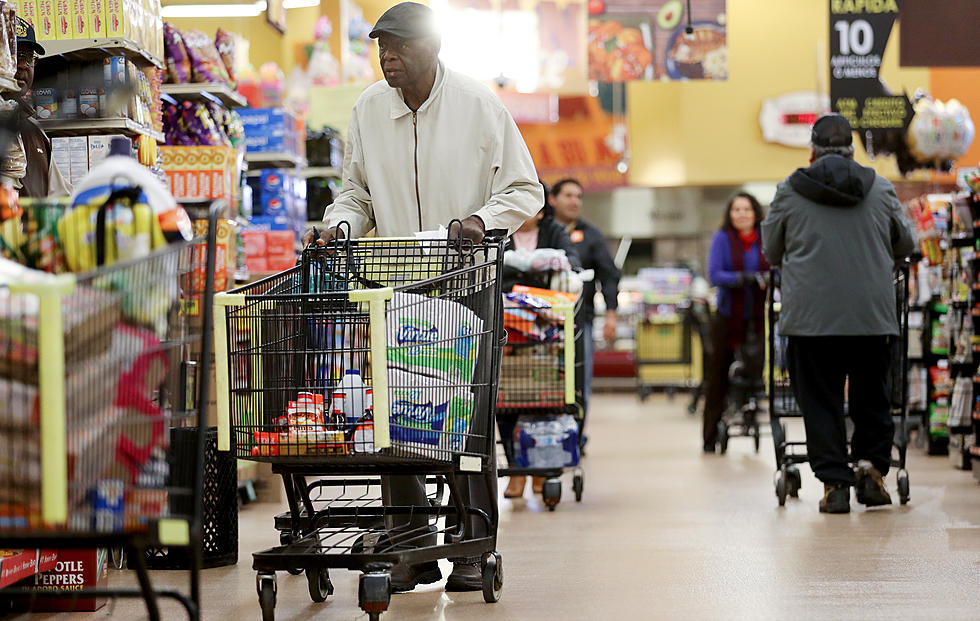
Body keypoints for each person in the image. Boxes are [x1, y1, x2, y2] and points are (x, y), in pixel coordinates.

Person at [304, 2, 542, 592]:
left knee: (465, 419)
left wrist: (479, 220)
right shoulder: (367, 109)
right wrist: (339, 226)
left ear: (432, 48)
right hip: (391, 292)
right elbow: (356, 193)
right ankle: (411, 541)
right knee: (396, 418)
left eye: (400, 47)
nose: (389, 57)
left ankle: (468, 542)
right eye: (382, 47)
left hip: (465, 287)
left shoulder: (479, 105)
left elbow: (524, 188)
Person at [761, 113, 915, 514]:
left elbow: (772, 251)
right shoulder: (880, 188)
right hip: (871, 314)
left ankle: (834, 483)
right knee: (872, 394)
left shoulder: (788, 191)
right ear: (852, 149)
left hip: (810, 317)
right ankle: (870, 468)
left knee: (820, 399)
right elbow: (905, 242)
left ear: (812, 151)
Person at [500, 187, 581, 499]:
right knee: (505, 401)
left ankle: (541, 470)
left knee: (546, 398)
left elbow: (571, 261)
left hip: (549, 333)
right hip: (509, 332)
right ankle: (516, 470)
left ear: (542, 210)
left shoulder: (554, 232)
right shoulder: (500, 233)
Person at [547, 178, 620, 433]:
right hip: (541, 319)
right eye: (568, 195)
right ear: (552, 199)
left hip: (581, 320)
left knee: (580, 379)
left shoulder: (591, 235)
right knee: (543, 377)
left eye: (578, 196)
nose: (575, 201)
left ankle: (577, 436)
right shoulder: (543, 232)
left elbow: (609, 275)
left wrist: (611, 314)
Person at [703, 192, 769, 454]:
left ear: (755, 213)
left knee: (755, 371)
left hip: (757, 317)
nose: (741, 214)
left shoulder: (765, 239)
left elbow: (776, 267)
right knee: (718, 375)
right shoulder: (723, 239)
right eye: (736, 209)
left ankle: (750, 408)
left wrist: (764, 277)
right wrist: (745, 278)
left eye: (746, 209)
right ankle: (709, 435)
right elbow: (715, 274)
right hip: (728, 318)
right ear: (730, 215)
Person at [2, 18, 69, 198]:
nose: (24, 65)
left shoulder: (35, 130)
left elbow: (59, 196)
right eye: (15, 55)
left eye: (29, 57)